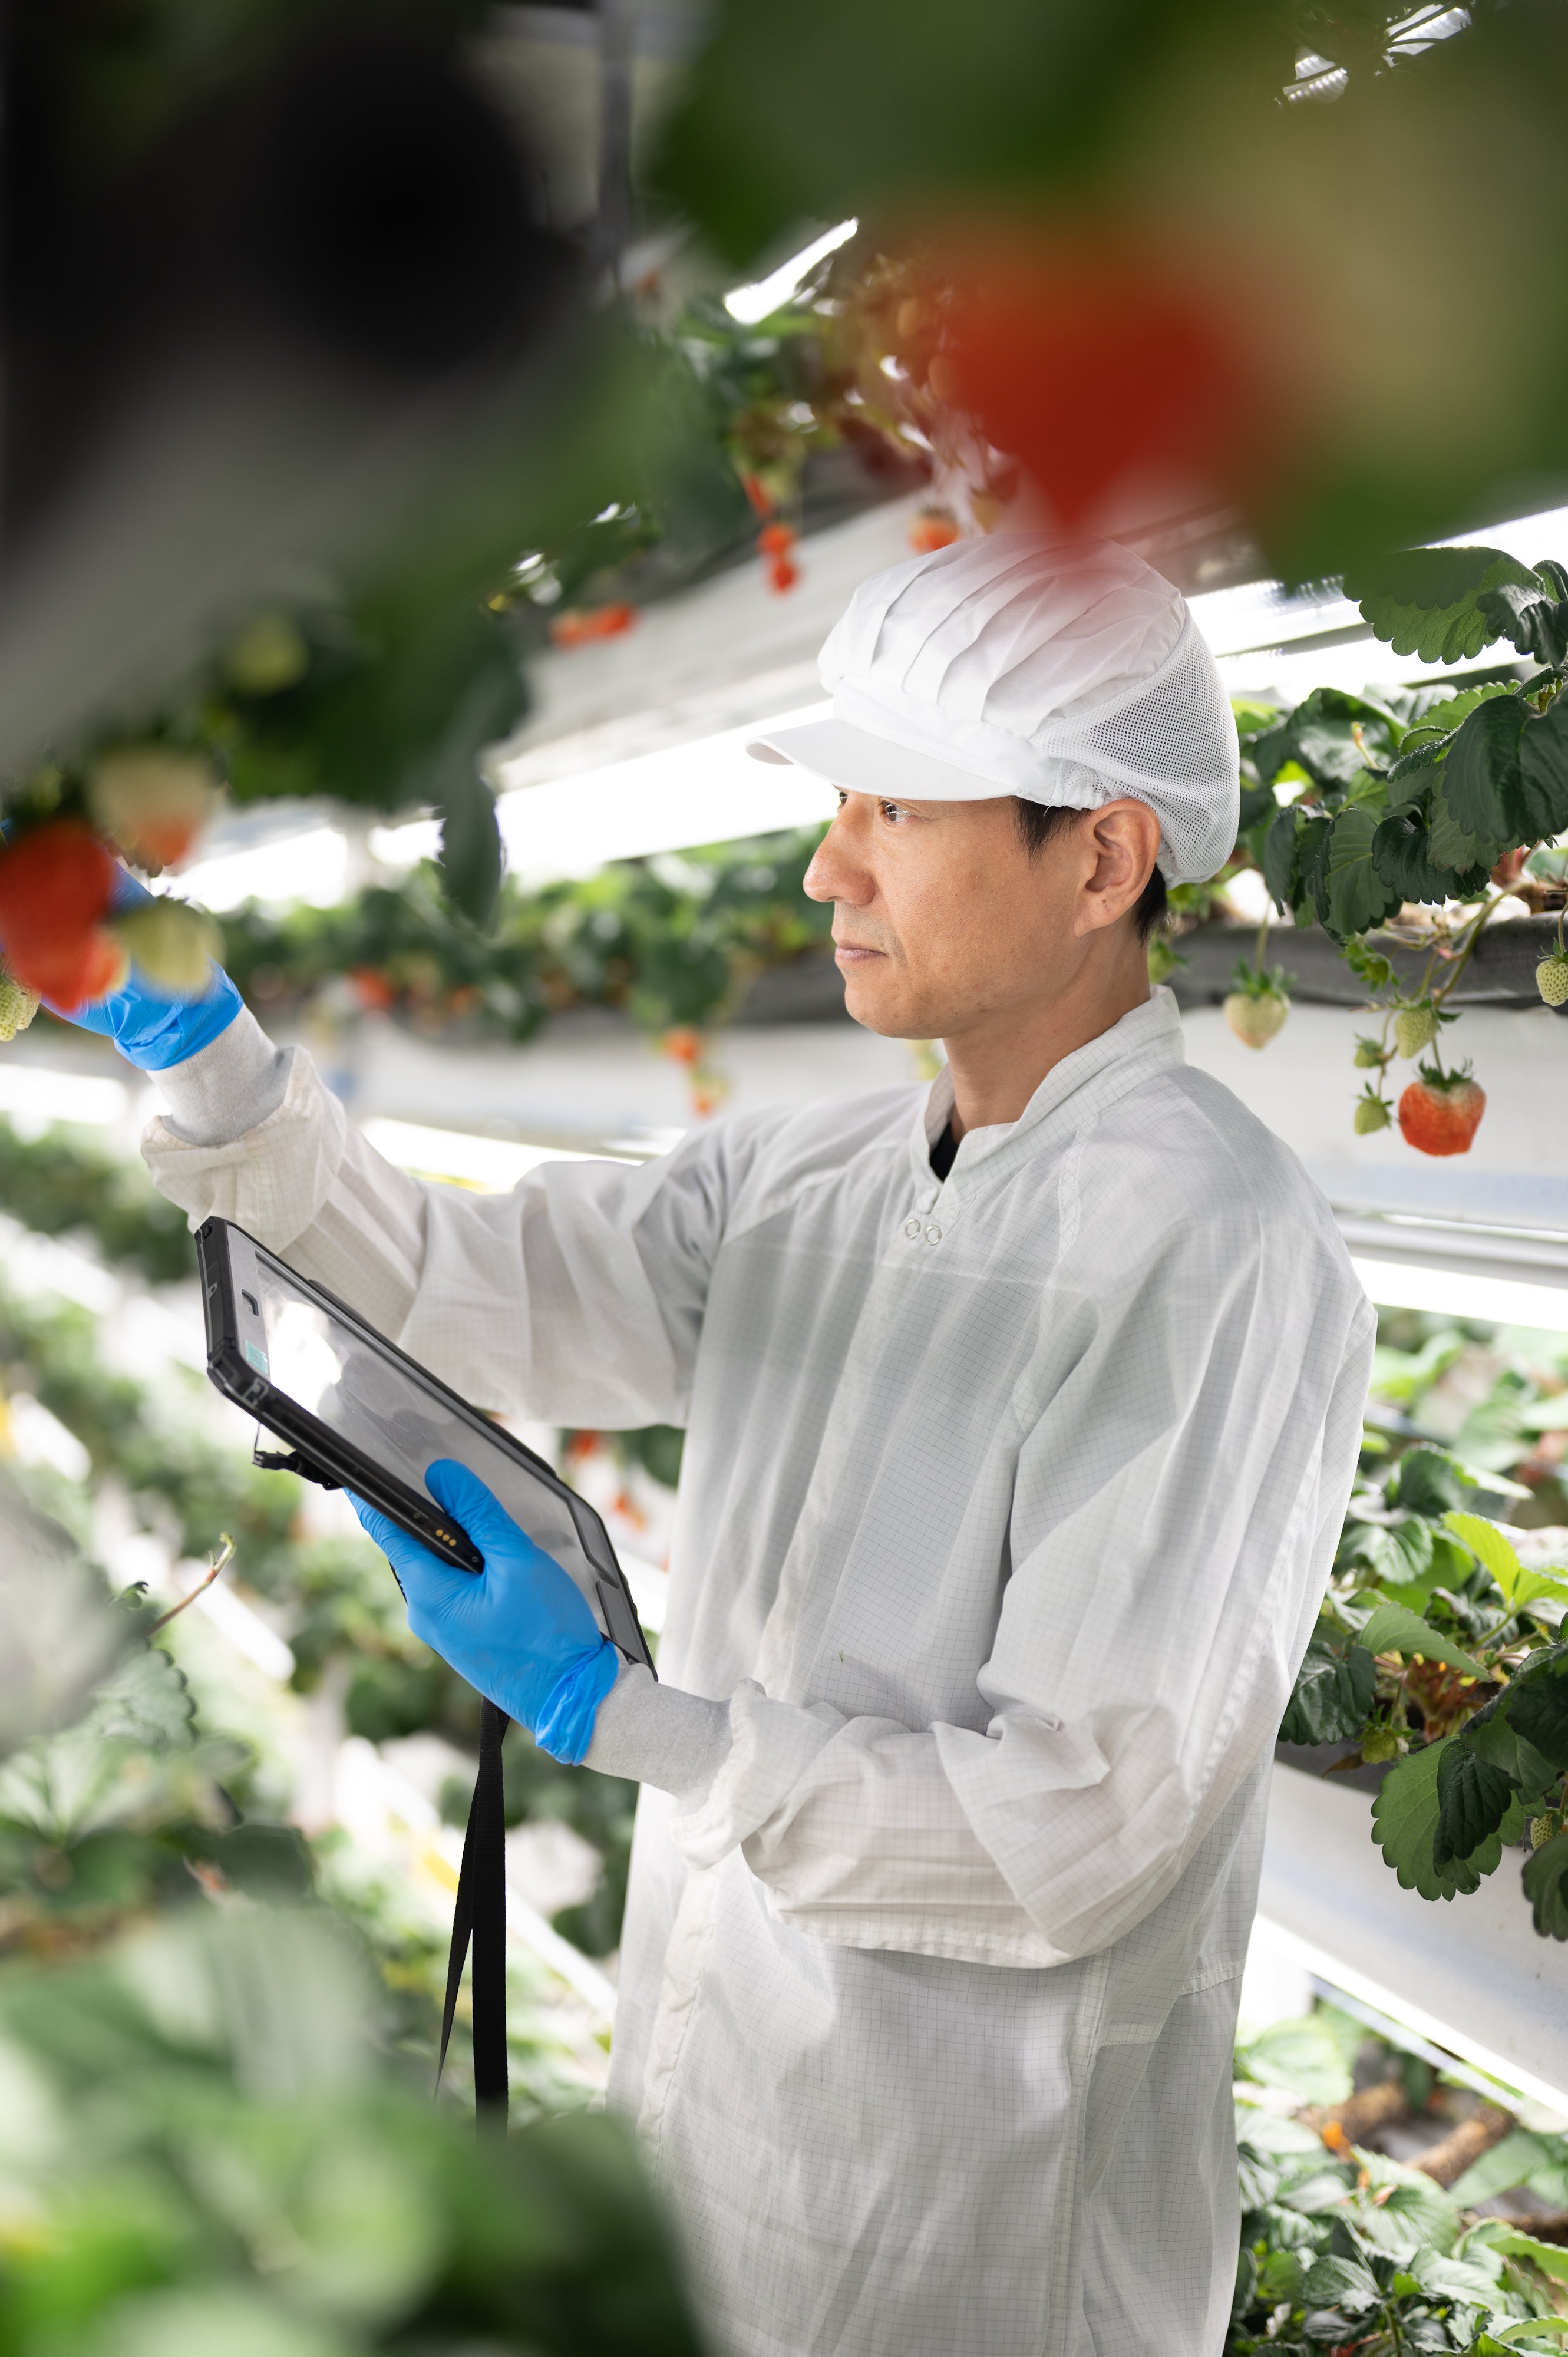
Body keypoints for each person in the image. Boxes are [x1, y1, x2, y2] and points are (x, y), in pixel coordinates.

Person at [71, 534, 1374, 2357]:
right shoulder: (810, 1175)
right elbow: (467, 1282)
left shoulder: (1212, 1247)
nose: (828, 863)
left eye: (897, 812)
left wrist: (633, 1721)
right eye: (840, 801)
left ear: (1101, 855)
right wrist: (199, 1042)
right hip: (710, 2146)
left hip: (968, 2248)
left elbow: (1078, 1824)